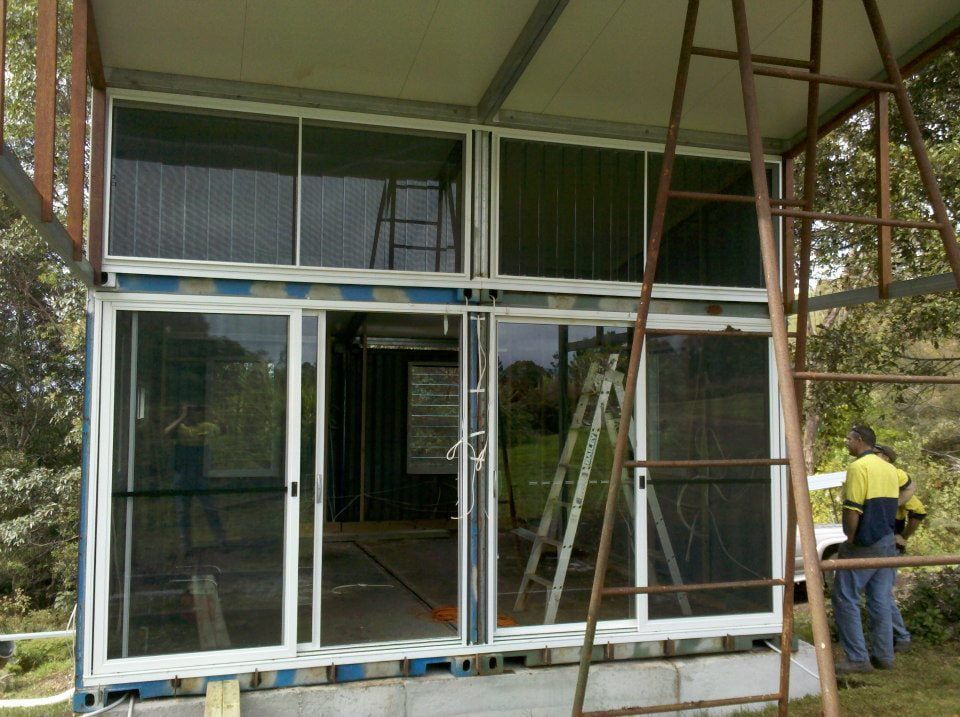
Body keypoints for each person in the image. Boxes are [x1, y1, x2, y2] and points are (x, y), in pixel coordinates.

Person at [832, 424, 913, 674]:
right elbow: (910, 487)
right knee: (880, 599)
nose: (846, 443)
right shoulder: (890, 469)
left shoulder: (858, 467)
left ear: (859, 440)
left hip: (865, 543)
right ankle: (884, 656)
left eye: (849, 439)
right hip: (887, 541)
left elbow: (852, 508)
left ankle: (858, 659)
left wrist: (850, 538)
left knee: (845, 597)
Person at [874, 443, 927, 654]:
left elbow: (918, 511)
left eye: (876, 453)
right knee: (877, 592)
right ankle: (886, 638)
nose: (872, 456)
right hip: (874, 543)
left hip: (889, 543)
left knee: (883, 593)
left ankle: (901, 637)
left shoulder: (895, 477)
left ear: (886, 457)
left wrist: (903, 537)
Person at [164, 402, 226, 557]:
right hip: (182, 474)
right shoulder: (180, 428)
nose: (193, 414)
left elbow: (223, 430)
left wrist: (213, 413)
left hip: (200, 474)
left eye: (195, 411)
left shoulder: (205, 427)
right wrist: (182, 417)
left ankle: (221, 540)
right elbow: (167, 432)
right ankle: (186, 545)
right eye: (189, 411)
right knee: (182, 512)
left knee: (210, 508)